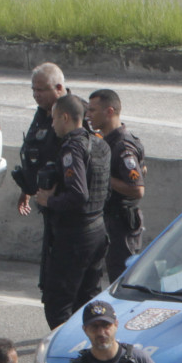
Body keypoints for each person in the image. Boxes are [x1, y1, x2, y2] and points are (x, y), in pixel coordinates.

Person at [42, 93, 111, 328]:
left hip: (75, 235)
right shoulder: (100, 143)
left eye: (54, 119)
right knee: (88, 301)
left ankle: (65, 357)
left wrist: (48, 201)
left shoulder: (72, 147)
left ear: (64, 117)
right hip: (98, 230)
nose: (52, 125)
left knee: (57, 304)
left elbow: (79, 194)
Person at [14, 63, 68, 320]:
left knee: (61, 289)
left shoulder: (73, 113)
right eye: (33, 90)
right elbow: (34, 151)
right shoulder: (43, 113)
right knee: (49, 283)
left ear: (59, 88)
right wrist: (27, 188)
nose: (36, 95)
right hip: (48, 208)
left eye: (42, 90)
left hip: (68, 212)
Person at [87, 89, 146, 281]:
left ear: (109, 111)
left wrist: (103, 177)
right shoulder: (106, 141)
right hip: (108, 222)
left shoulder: (122, 146)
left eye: (93, 111)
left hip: (122, 225)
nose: (88, 116)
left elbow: (137, 189)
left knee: (122, 280)